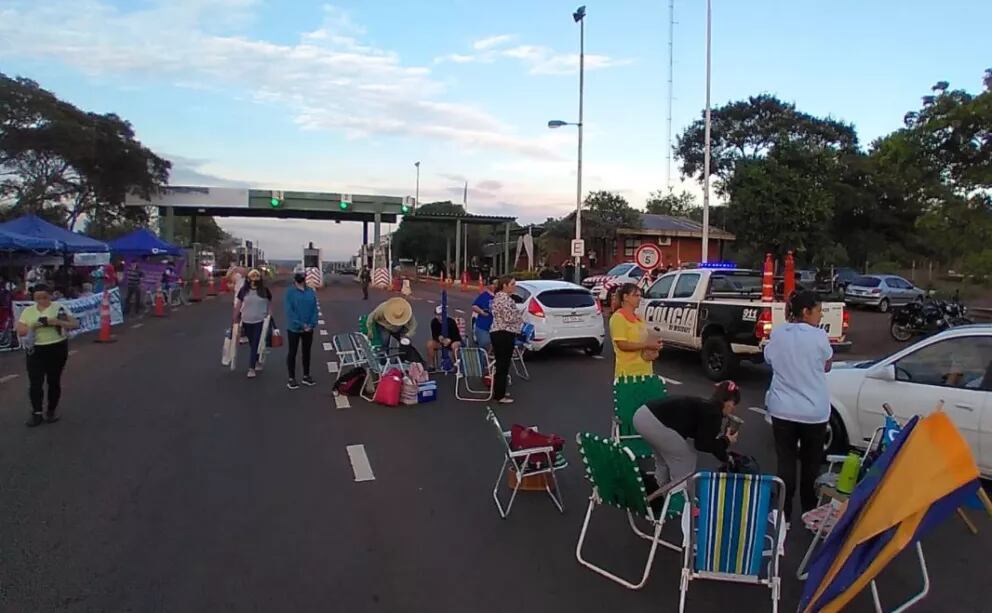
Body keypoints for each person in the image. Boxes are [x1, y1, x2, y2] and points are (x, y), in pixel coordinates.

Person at [763, 290, 833, 522]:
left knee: (786, 461)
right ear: (806, 311)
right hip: (814, 412)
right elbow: (827, 365)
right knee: (811, 463)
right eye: (819, 311)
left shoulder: (778, 333)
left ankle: (783, 513)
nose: (820, 316)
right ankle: (809, 511)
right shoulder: (819, 337)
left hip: (782, 409)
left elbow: (770, 359)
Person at [633, 381, 741, 487]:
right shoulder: (713, 413)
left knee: (664, 462)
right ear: (729, 402)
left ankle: (660, 496)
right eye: (734, 404)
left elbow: (707, 440)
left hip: (643, 415)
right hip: (654, 422)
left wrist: (725, 455)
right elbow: (703, 444)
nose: (734, 408)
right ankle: (680, 498)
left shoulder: (706, 407)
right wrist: (726, 441)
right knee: (687, 460)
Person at [15, 284, 79, 427]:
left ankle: (51, 410)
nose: (41, 301)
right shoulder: (28, 311)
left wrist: (55, 322)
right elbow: (20, 330)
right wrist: (34, 326)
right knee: (35, 383)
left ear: (50, 295)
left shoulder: (58, 308)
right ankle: (36, 413)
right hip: (36, 350)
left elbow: (74, 324)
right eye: (37, 298)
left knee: (53, 380)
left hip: (56, 347)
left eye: (44, 297)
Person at [608, 283, 663, 379]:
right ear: (625, 297)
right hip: (627, 375)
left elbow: (643, 340)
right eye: (636, 295)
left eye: (640, 296)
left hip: (645, 372)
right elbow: (622, 345)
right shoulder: (618, 318)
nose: (639, 298)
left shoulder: (639, 318)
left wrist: (654, 347)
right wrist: (647, 345)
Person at [489, 275, 522, 404]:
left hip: (499, 332)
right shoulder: (505, 300)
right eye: (512, 284)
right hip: (504, 333)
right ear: (505, 285)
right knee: (503, 364)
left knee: (501, 364)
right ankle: (500, 395)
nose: (515, 286)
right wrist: (519, 317)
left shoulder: (499, 298)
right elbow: (509, 318)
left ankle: (499, 390)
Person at [235, 268, 272, 378]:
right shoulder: (244, 291)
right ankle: (256, 360)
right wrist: (235, 317)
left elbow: (269, 304)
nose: (254, 281)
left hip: (260, 321)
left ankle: (251, 368)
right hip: (246, 320)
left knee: (255, 342)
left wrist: (269, 317)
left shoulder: (264, 291)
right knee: (252, 343)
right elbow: (238, 305)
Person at [284, 270, 319, 389]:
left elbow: (315, 309)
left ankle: (306, 375)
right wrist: (301, 324)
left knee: (306, 352)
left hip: (309, 328)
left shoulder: (310, 292)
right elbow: (290, 311)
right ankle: (291, 378)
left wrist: (312, 324)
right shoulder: (290, 293)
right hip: (294, 329)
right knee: (292, 353)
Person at [471, 278, 495, 351]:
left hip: (496, 327)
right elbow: (474, 306)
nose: (495, 285)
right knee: (485, 345)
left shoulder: (501, 296)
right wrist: (481, 312)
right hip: (484, 326)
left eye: (497, 284)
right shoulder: (485, 295)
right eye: (494, 283)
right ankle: (483, 360)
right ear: (489, 285)